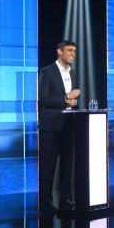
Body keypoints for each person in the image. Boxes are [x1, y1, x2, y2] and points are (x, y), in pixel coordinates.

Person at [38, 40, 80, 212]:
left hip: (68, 125)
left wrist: (73, 102)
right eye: (69, 50)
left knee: (67, 165)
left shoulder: (73, 73)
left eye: (75, 51)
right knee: (48, 166)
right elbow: (44, 98)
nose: (73, 54)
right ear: (59, 52)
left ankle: (66, 199)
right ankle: (45, 202)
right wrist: (66, 98)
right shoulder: (47, 72)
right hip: (51, 126)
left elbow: (71, 100)